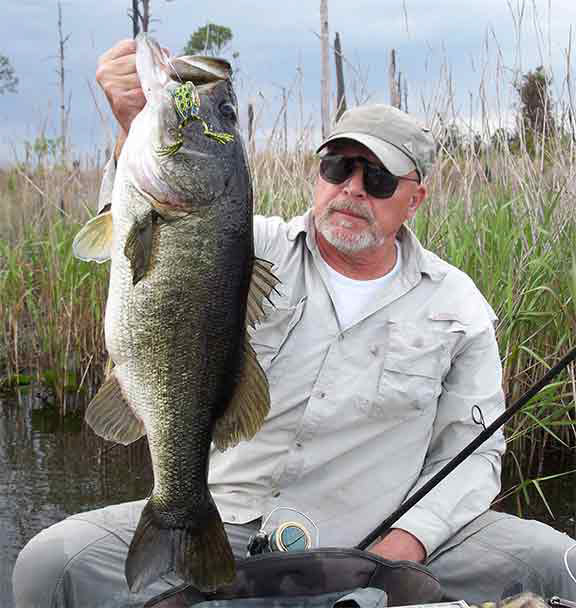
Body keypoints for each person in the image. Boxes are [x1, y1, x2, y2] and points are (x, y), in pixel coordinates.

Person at [13, 39, 576, 608]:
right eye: (338, 166)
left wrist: (409, 541)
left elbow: (475, 451)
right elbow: (137, 239)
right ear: (320, 172)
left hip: (377, 538)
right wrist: (134, 127)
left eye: (378, 178)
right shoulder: (239, 242)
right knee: (51, 564)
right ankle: (184, 531)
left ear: (415, 199)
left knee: (559, 565)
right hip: (227, 521)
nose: (352, 188)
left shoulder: (458, 304)